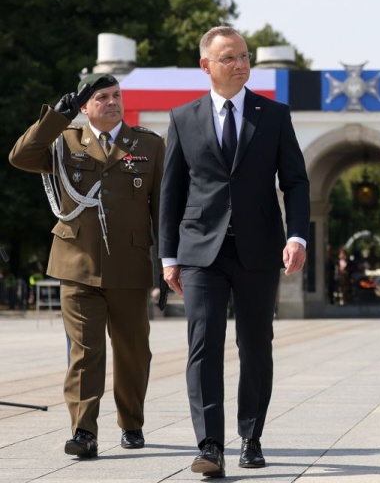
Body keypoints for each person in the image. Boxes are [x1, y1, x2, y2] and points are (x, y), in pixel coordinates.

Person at [159, 26, 310, 478]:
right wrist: (168, 256)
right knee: (203, 345)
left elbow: (297, 182)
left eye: (244, 56)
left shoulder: (274, 115)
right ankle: (210, 446)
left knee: (255, 345)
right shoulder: (183, 117)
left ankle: (251, 437)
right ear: (206, 65)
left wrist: (297, 236)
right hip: (200, 251)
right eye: (229, 58)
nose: (241, 64)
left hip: (259, 249)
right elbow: (172, 190)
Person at [9, 72, 165, 459]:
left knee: (133, 352)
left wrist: (167, 264)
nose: (113, 102)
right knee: (84, 352)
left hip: (129, 265)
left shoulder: (148, 144)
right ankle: (84, 431)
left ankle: (131, 422)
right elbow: (20, 157)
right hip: (76, 265)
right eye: (102, 98)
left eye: (116, 95)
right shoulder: (64, 142)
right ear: (85, 107)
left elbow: (161, 208)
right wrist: (56, 117)